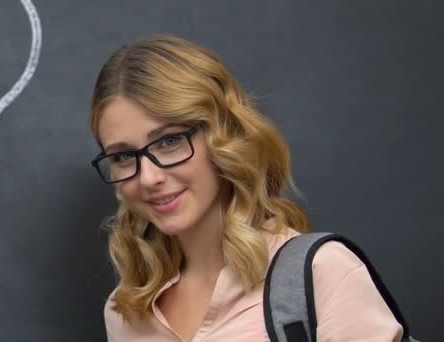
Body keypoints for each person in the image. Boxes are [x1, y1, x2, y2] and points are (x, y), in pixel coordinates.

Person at [89, 34, 403, 341]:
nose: (148, 177)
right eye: (124, 156)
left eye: (170, 141)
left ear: (223, 136)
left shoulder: (324, 273)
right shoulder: (124, 312)